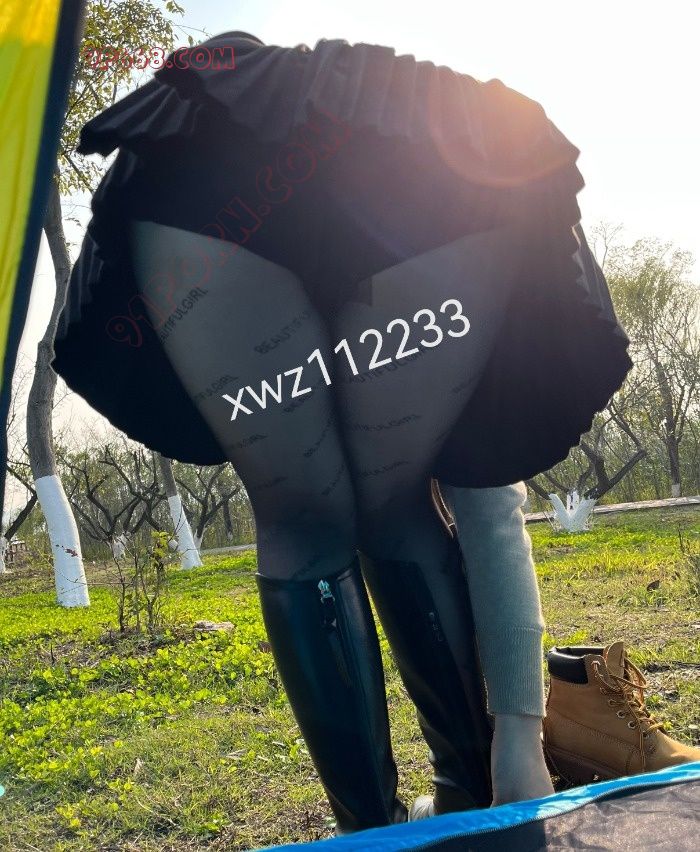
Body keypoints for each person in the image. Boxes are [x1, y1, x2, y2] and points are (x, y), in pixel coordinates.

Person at [51, 31, 633, 834]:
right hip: (429, 176)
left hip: (207, 169)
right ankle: (466, 809)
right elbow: (492, 516)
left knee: (303, 514)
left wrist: (523, 742)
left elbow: (491, 516)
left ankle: (373, 833)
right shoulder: (476, 407)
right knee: (393, 504)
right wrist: (516, 748)